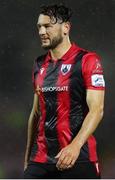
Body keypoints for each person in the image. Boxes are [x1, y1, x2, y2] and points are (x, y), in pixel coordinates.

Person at [24, 4, 105, 179]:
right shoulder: (39, 64)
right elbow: (36, 114)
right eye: (39, 26)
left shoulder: (88, 60)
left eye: (48, 26)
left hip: (79, 158)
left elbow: (97, 110)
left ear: (66, 28)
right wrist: (27, 159)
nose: (41, 32)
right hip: (40, 161)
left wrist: (75, 146)